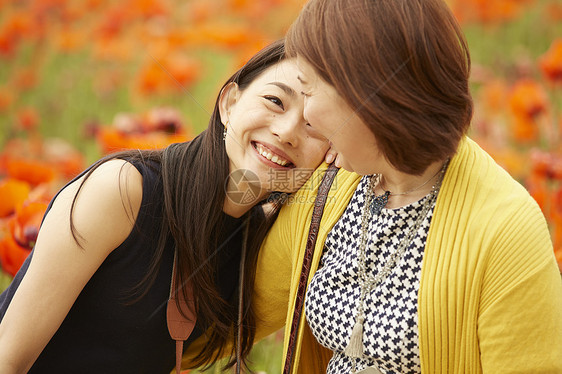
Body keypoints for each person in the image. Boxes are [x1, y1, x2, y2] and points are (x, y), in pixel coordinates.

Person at [238, 1, 562, 373]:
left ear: (366, 97)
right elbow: (231, 318)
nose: (304, 117)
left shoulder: (506, 230)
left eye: (308, 93)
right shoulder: (331, 188)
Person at [0, 40, 333, 373]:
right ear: (229, 103)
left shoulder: (259, 242)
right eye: (275, 101)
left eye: (314, 125)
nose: (287, 132)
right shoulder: (122, 191)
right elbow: (7, 360)